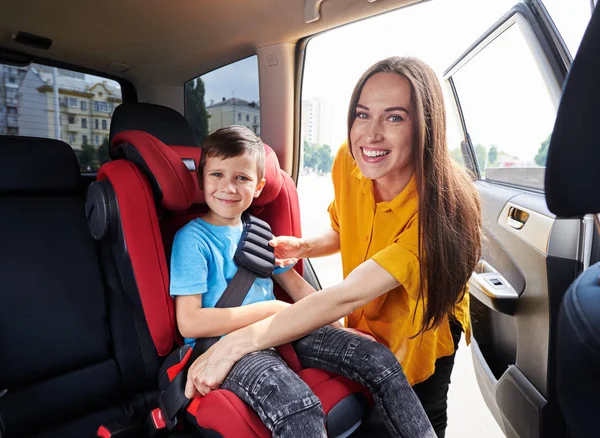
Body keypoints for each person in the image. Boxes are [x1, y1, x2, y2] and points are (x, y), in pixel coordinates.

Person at [183, 57, 482, 438]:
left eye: (394, 118)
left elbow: (344, 297)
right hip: (365, 312)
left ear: (425, 128)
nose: (370, 135)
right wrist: (305, 246)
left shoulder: (439, 213)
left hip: (419, 322)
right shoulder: (351, 159)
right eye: (362, 114)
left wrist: (235, 344)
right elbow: (344, 228)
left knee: (422, 403)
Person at [170, 124, 435, 438]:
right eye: (217, 175)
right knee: (299, 405)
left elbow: (297, 287)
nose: (228, 187)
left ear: (258, 186)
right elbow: (189, 323)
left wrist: (337, 327)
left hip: (281, 330)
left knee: (377, 357)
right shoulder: (192, 240)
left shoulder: (259, 233)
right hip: (228, 346)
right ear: (202, 180)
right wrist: (270, 310)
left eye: (241, 177)